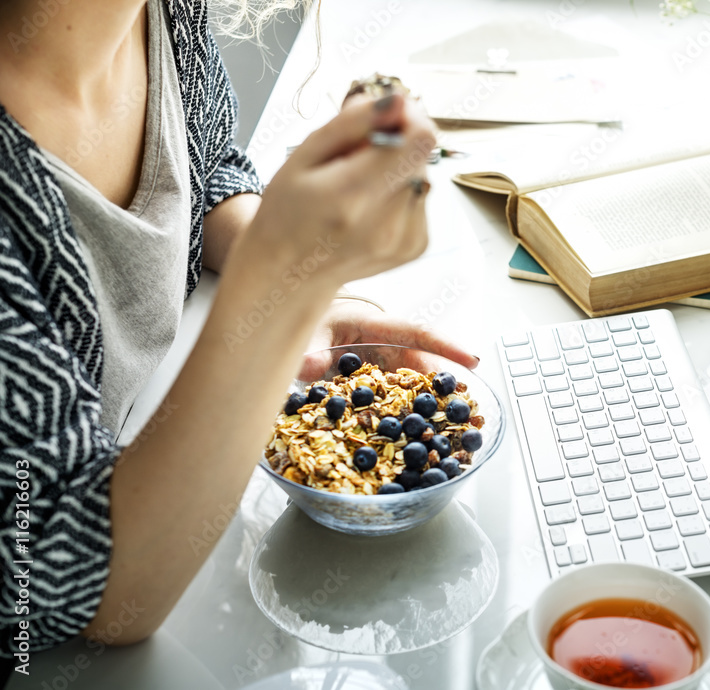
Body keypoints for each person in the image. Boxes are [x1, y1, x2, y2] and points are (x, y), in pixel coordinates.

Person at [0, 0, 476, 660]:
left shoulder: (159, 15)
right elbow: (81, 590)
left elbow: (207, 170)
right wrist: (283, 286)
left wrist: (303, 275)